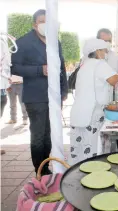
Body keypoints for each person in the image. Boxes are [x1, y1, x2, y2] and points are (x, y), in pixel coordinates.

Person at [11, 9, 68, 175]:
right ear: (35, 25)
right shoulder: (24, 42)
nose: (46, 25)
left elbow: (61, 67)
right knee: (38, 135)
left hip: (54, 96)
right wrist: (39, 70)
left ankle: (47, 165)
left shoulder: (55, 41)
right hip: (35, 97)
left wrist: (64, 90)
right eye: (43, 21)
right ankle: (40, 169)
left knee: (50, 133)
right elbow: (14, 67)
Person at [69, 39, 118, 164]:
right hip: (92, 114)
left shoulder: (84, 64)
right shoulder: (99, 64)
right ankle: (91, 176)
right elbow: (117, 81)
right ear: (97, 51)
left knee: (80, 150)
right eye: (104, 51)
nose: (106, 53)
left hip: (79, 112)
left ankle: (78, 173)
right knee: (92, 151)